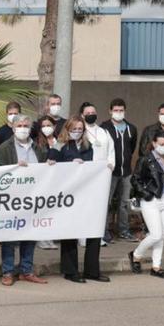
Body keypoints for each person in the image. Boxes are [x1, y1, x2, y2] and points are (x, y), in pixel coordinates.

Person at [0, 114, 51, 286]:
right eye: (20, 125)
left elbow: (43, 170)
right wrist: (15, 168)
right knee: (9, 237)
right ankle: (8, 272)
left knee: (30, 235)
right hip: (11, 200)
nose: (23, 128)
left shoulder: (38, 148)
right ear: (13, 127)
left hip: (32, 200)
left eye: (26, 125)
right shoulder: (4, 148)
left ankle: (27, 270)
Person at [55, 116, 109, 282]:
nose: (77, 132)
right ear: (67, 129)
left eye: (80, 129)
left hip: (86, 193)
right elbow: (51, 163)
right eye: (74, 129)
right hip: (68, 194)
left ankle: (92, 270)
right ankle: (70, 271)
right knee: (70, 232)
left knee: (94, 230)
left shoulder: (88, 146)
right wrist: (70, 163)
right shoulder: (60, 144)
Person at [129, 131, 164, 278]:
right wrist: (146, 194)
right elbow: (135, 179)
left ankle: (156, 267)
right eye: (161, 144)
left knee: (161, 235)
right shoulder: (145, 160)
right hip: (152, 200)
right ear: (154, 144)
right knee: (155, 234)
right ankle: (136, 254)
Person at [78, 102, 115, 248]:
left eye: (93, 112)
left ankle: (96, 236)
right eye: (88, 113)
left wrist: (111, 165)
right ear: (82, 115)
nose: (91, 115)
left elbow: (111, 151)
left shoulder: (103, 132)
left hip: (102, 176)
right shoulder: (81, 131)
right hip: (86, 175)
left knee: (98, 207)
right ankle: (82, 237)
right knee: (84, 205)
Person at [103, 98, 138, 243]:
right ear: (110, 111)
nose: (118, 113)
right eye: (115, 110)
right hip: (110, 172)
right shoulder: (104, 127)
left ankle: (123, 230)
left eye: (121, 110)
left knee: (124, 203)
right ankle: (103, 231)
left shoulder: (131, 128)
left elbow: (132, 146)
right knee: (107, 202)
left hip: (126, 172)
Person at [35, 115, 62, 250]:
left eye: (49, 125)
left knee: (53, 210)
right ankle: (41, 239)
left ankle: (51, 238)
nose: (46, 128)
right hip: (43, 181)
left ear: (55, 126)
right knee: (42, 210)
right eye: (43, 126)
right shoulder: (38, 144)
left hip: (58, 180)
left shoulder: (61, 142)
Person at [0, 101, 23, 168]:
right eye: (10, 114)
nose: (13, 116)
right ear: (6, 114)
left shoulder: (25, 131)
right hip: (7, 171)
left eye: (15, 113)